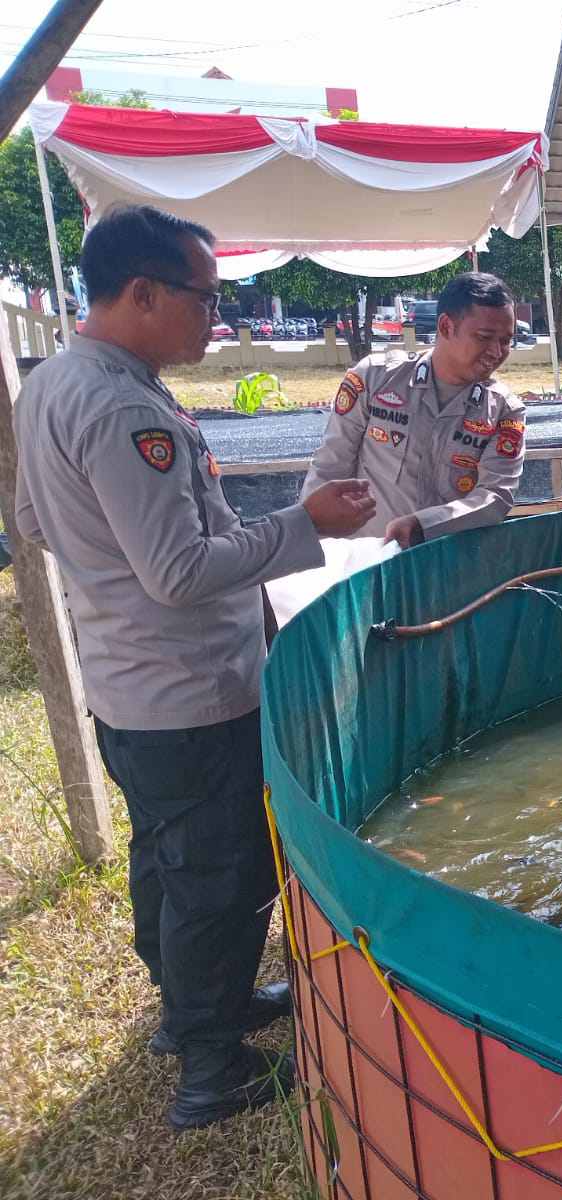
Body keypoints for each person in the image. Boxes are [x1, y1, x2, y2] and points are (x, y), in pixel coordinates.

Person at [11, 204, 376, 1131]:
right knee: (220, 879)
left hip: (130, 687)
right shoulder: (129, 408)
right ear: (142, 293)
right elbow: (176, 572)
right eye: (203, 299)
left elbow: (36, 524)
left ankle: (189, 1012)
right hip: (187, 693)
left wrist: (111, 577)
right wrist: (306, 528)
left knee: (167, 859)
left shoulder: (54, 381)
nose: (213, 319)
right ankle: (212, 1069)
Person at [301, 272, 526, 548]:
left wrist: (423, 526)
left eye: (506, 341)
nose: (497, 351)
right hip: (364, 564)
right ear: (446, 327)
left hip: (442, 566)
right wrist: (308, 545)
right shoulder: (375, 378)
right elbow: (329, 467)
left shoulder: (504, 410)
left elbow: (495, 496)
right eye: (484, 337)